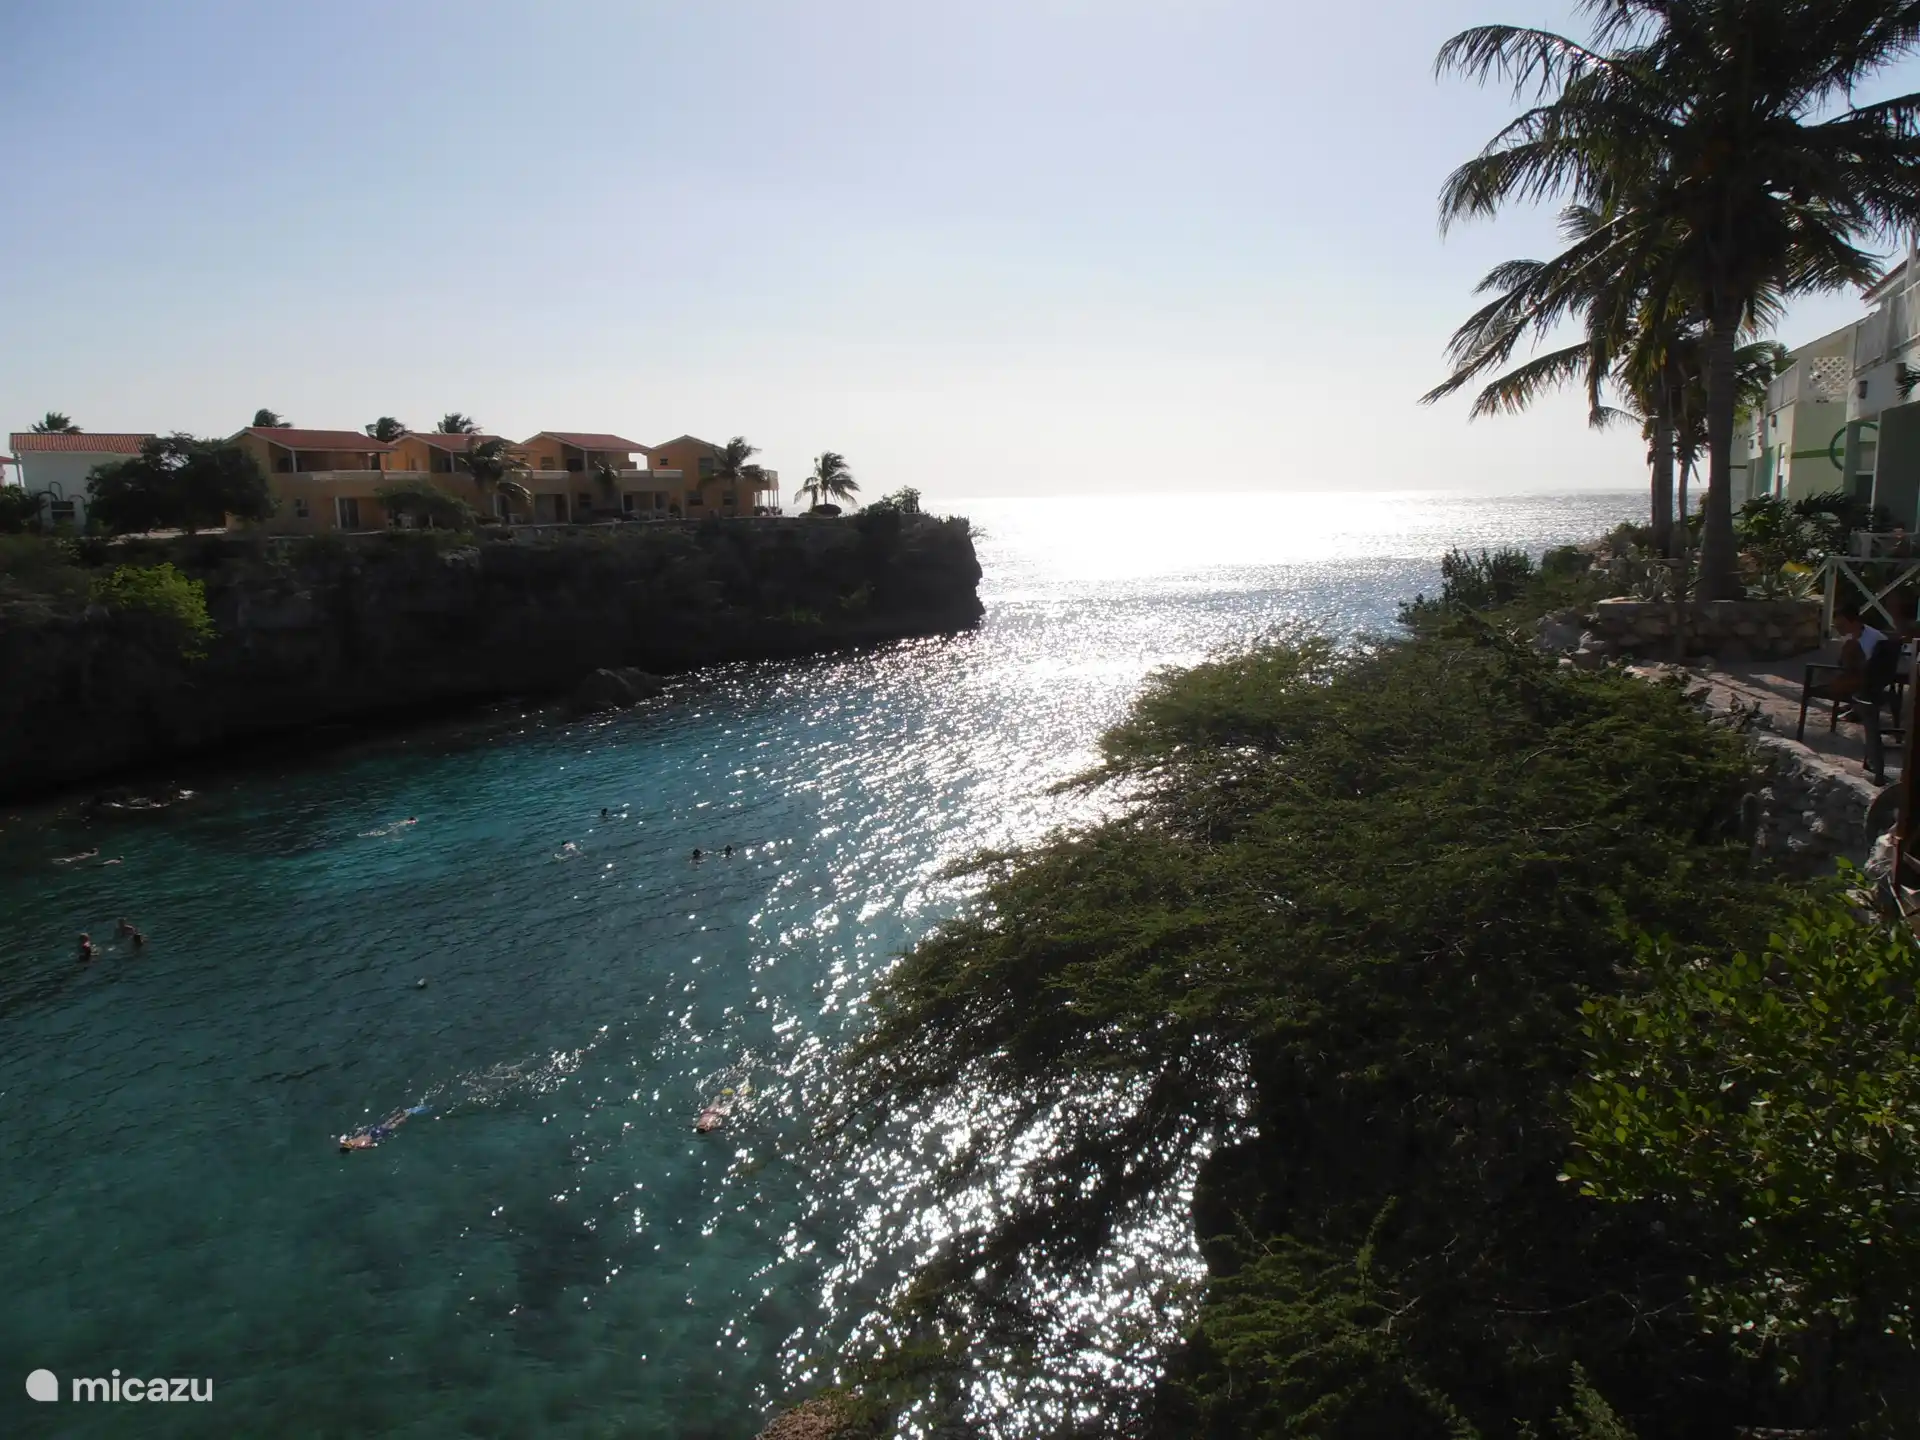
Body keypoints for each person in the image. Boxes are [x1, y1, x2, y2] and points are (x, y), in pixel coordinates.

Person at [338, 1105, 430, 1152]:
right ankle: (403, 1112)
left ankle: (409, 1113)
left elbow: (372, 1146)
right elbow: (342, 1139)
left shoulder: (358, 1146)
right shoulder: (350, 1141)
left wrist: (374, 1146)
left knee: (395, 1125)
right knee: (388, 1122)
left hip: (377, 1135)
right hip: (372, 1131)